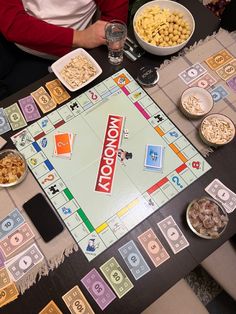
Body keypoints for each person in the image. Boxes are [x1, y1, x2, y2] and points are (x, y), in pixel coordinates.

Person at [0, 0, 128, 99]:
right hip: (8, 42)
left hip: (62, 58)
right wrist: (79, 37)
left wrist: (103, 38)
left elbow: (114, 18)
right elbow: (12, 23)